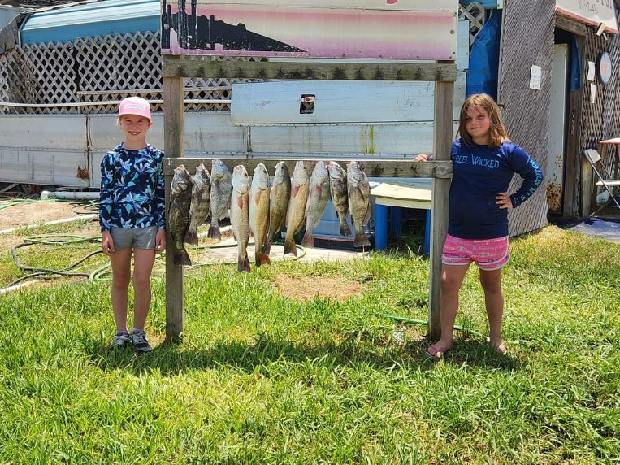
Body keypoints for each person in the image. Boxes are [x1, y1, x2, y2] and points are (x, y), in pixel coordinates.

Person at [418, 93, 544, 359]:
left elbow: (536, 175)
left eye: (480, 116)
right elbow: (439, 161)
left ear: (492, 118)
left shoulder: (508, 151)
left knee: (491, 286)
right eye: (468, 118)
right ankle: (446, 338)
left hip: (492, 235)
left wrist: (515, 199)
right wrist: (427, 159)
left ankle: (496, 338)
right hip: (459, 234)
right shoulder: (457, 148)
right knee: (447, 284)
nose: (474, 122)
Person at [99, 97, 166, 352]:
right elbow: (105, 195)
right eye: (128, 120)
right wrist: (105, 229)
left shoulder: (157, 158)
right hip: (118, 228)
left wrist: (162, 227)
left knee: (142, 280)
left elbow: (161, 194)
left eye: (140, 121)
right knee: (120, 279)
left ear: (149, 124)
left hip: (147, 229)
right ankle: (121, 331)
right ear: (120, 122)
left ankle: (139, 331)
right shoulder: (112, 158)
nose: (134, 125)